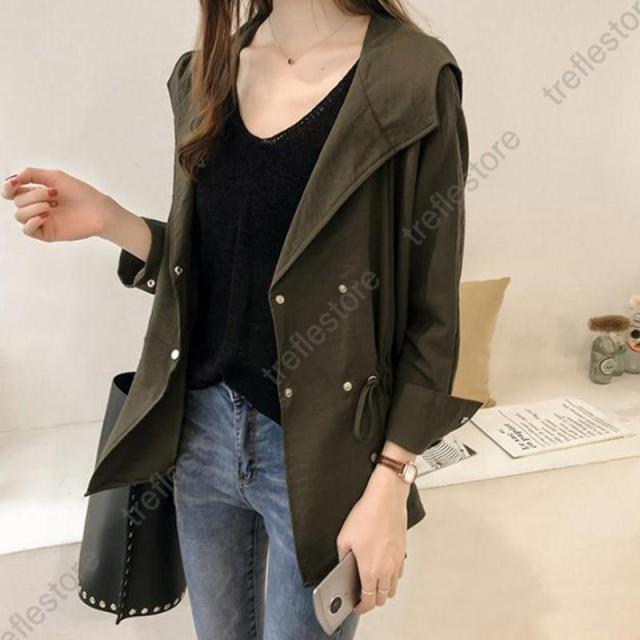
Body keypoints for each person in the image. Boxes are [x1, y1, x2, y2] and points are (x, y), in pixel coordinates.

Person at [3, 1, 481, 638]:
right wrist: (110, 220)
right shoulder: (206, 74)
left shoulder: (411, 80)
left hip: (321, 449)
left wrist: (392, 478)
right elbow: (218, 271)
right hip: (200, 434)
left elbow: (433, 313)